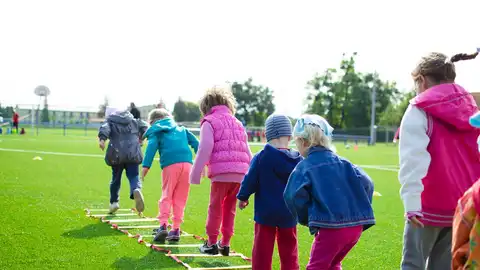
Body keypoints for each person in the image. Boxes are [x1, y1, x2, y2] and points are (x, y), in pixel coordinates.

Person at [398, 51, 480, 270]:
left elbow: (412, 159)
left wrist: (412, 203)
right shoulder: (472, 108)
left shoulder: (419, 108)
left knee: (413, 264)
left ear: (422, 80)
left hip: (426, 206)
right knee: (444, 266)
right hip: (463, 207)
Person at [284, 114, 375, 270]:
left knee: (317, 266)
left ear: (304, 142)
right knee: (333, 263)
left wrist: (307, 218)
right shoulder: (345, 162)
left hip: (331, 229)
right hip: (355, 229)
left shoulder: (304, 167)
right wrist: (359, 208)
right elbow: (368, 183)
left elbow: (292, 196)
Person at [190, 85, 252, 256]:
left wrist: (195, 174)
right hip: (240, 174)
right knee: (229, 209)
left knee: (215, 207)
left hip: (221, 174)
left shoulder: (209, 122)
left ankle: (211, 243)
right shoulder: (238, 123)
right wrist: (251, 176)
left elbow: (205, 148)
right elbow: (247, 151)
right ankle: (225, 244)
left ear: (206, 108)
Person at [237, 114, 302, 270]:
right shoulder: (299, 160)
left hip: (265, 212)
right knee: (289, 248)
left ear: (266, 134)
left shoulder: (261, 157)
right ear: (289, 135)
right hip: (289, 212)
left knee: (262, 248)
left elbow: (250, 179)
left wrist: (243, 197)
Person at [141, 108, 199, 242]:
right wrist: (203, 162)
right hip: (187, 165)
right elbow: (197, 144)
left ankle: (163, 226)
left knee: (167, 195)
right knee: (180, 198)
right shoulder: (182, 129)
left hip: (170, 164)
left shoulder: (157, 131)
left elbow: (151, 147)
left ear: (153, 122)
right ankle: (175, 229)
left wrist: (145, 167)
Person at [98, 106, 148, 214]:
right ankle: (136, 189)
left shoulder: (110, 122)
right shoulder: (133, 120)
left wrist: (102, 140)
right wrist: (142, 137)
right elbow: (145, 126)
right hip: (133, 153)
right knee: (134, 176)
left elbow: (105, 128)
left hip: (116, 155)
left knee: (116, 178)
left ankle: (114, 202)